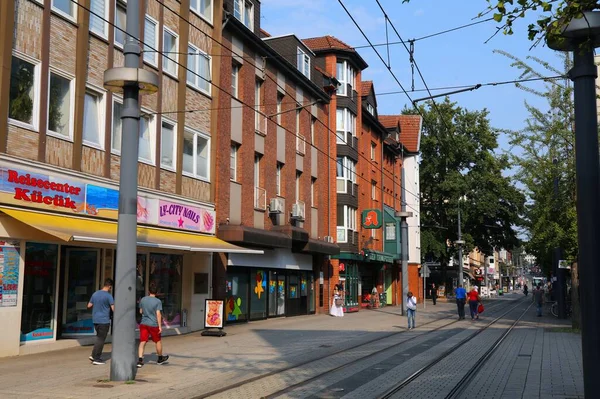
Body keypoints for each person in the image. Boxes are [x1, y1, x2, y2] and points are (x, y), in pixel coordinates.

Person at [138, 282, 169, 367]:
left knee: (142, 341)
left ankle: (140, 360)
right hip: (153, 324)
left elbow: (140, 311)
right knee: (157, 341)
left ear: (148, 291)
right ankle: (160, 358)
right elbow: (158, 314)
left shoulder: (143, 299)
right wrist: (160, 326)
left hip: (144, 323)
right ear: (157, 292)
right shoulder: (158, 301)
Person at [87, 278, 115, 365]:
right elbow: (113, 309)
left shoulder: (95, 294)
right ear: (110, 286)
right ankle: (97, 358)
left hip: (95, 319)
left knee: (99, 337)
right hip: (104, 320)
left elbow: (89, 305)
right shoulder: (108, 296)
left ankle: (93, 355)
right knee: (101, 339)